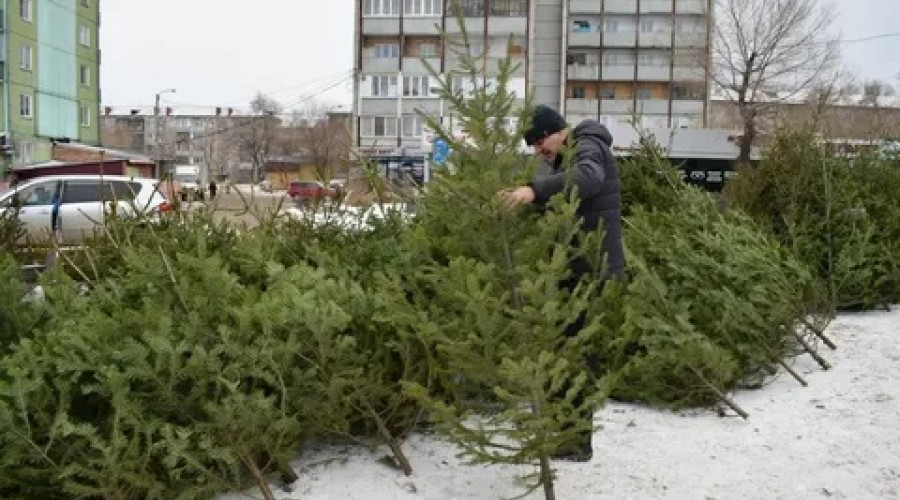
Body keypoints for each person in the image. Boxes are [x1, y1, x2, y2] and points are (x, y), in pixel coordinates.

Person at [498, 104, 624, 462]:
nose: (540, 151)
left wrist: (532, 191)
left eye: (540, 142)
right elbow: (568, 199)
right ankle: (568, 432)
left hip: (591, 268)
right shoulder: (565, 158)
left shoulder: (588, 144)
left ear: (557, 130)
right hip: (575, 266)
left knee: (575, 354)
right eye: (534, 147)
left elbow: (587, 179)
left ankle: (576, 441)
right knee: (565, 350)